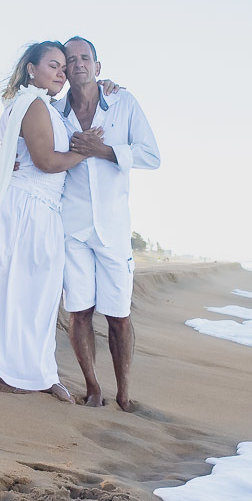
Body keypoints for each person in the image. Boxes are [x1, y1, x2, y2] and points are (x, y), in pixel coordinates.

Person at [0, 41, 102, 401]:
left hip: (39, 209)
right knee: (22, 292)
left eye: (63, 67)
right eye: (53, 65)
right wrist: (82, 151)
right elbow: (45, 161)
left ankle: (30, 369)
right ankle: (22, 371)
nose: (61, 72)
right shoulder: (34, 104)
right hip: (29, 208)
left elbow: (17, 156)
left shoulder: (41, 106)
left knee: (32, 295)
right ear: (31, 69)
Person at [56, 36, 160, 411]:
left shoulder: (123, 103)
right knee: (79, 311)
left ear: (98, 68)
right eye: (71, 59)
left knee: (119, 315)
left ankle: (124, 391)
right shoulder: (54, 111)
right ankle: (93, 387)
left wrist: (104, 150)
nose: (78, 63)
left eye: (86, 58)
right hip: (73, 227)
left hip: (114, 228)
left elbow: (152, 156)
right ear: (64, 69)